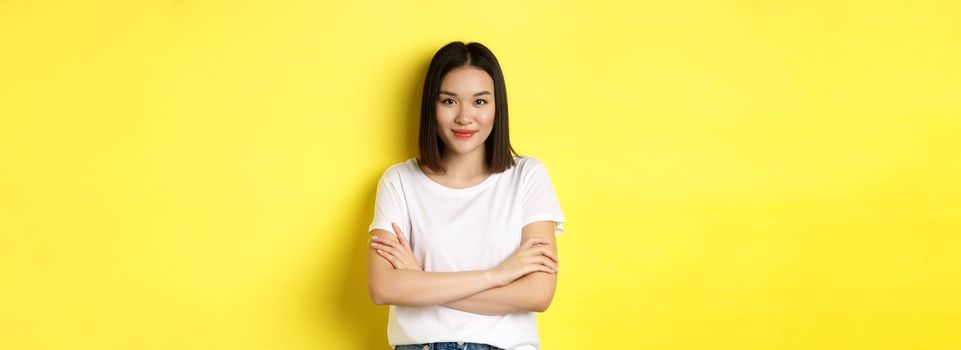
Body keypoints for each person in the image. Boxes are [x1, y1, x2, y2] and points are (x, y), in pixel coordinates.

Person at [366, 41, 566, 350]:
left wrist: (421, 280)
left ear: (497, 106)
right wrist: (498, 275)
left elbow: (537, 294)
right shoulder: (400, 181)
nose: (464, 117)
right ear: (431, 106)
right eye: (449, 101)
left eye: (480, 102)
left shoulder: (527, 177)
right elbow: (383, 287)